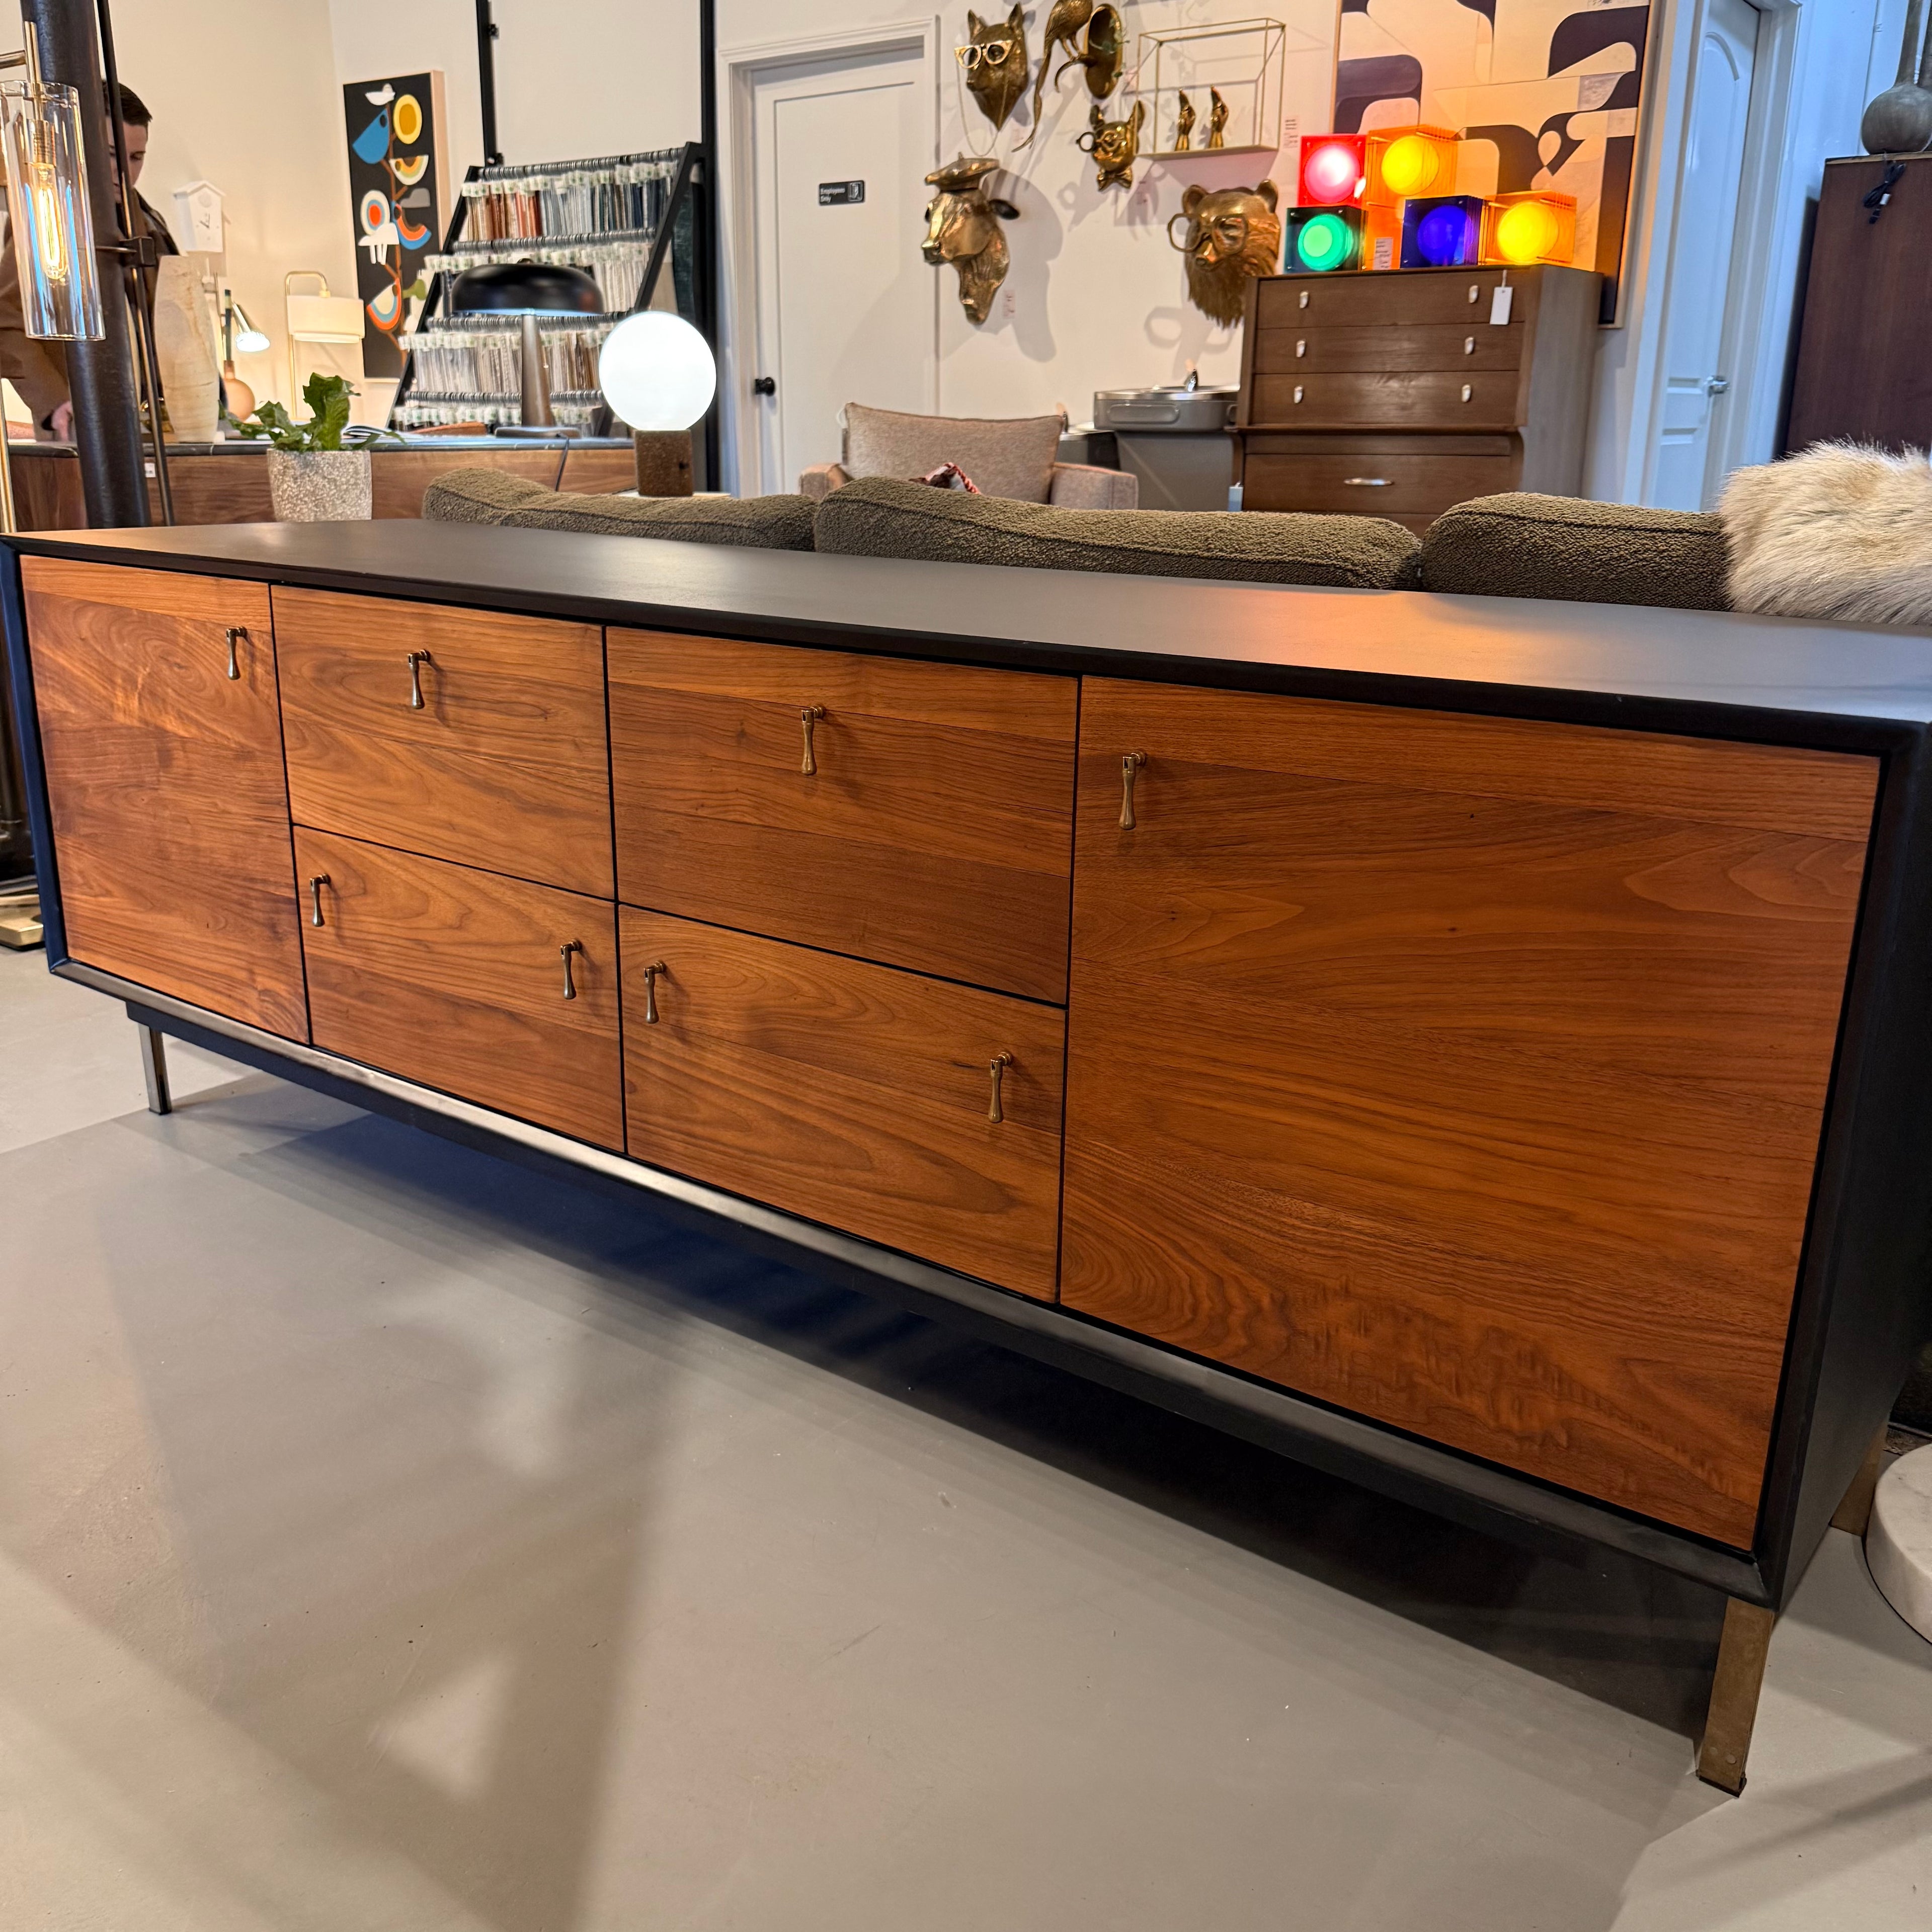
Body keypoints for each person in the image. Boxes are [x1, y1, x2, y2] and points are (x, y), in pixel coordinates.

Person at [0, 82, 177, 440]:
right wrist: (56, 401)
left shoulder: (148, 221)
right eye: (111, 155)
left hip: (154, 428)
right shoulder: (47, 213)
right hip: (80, 432)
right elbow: (6, 320)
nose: (123, 171)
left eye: (136, 158)